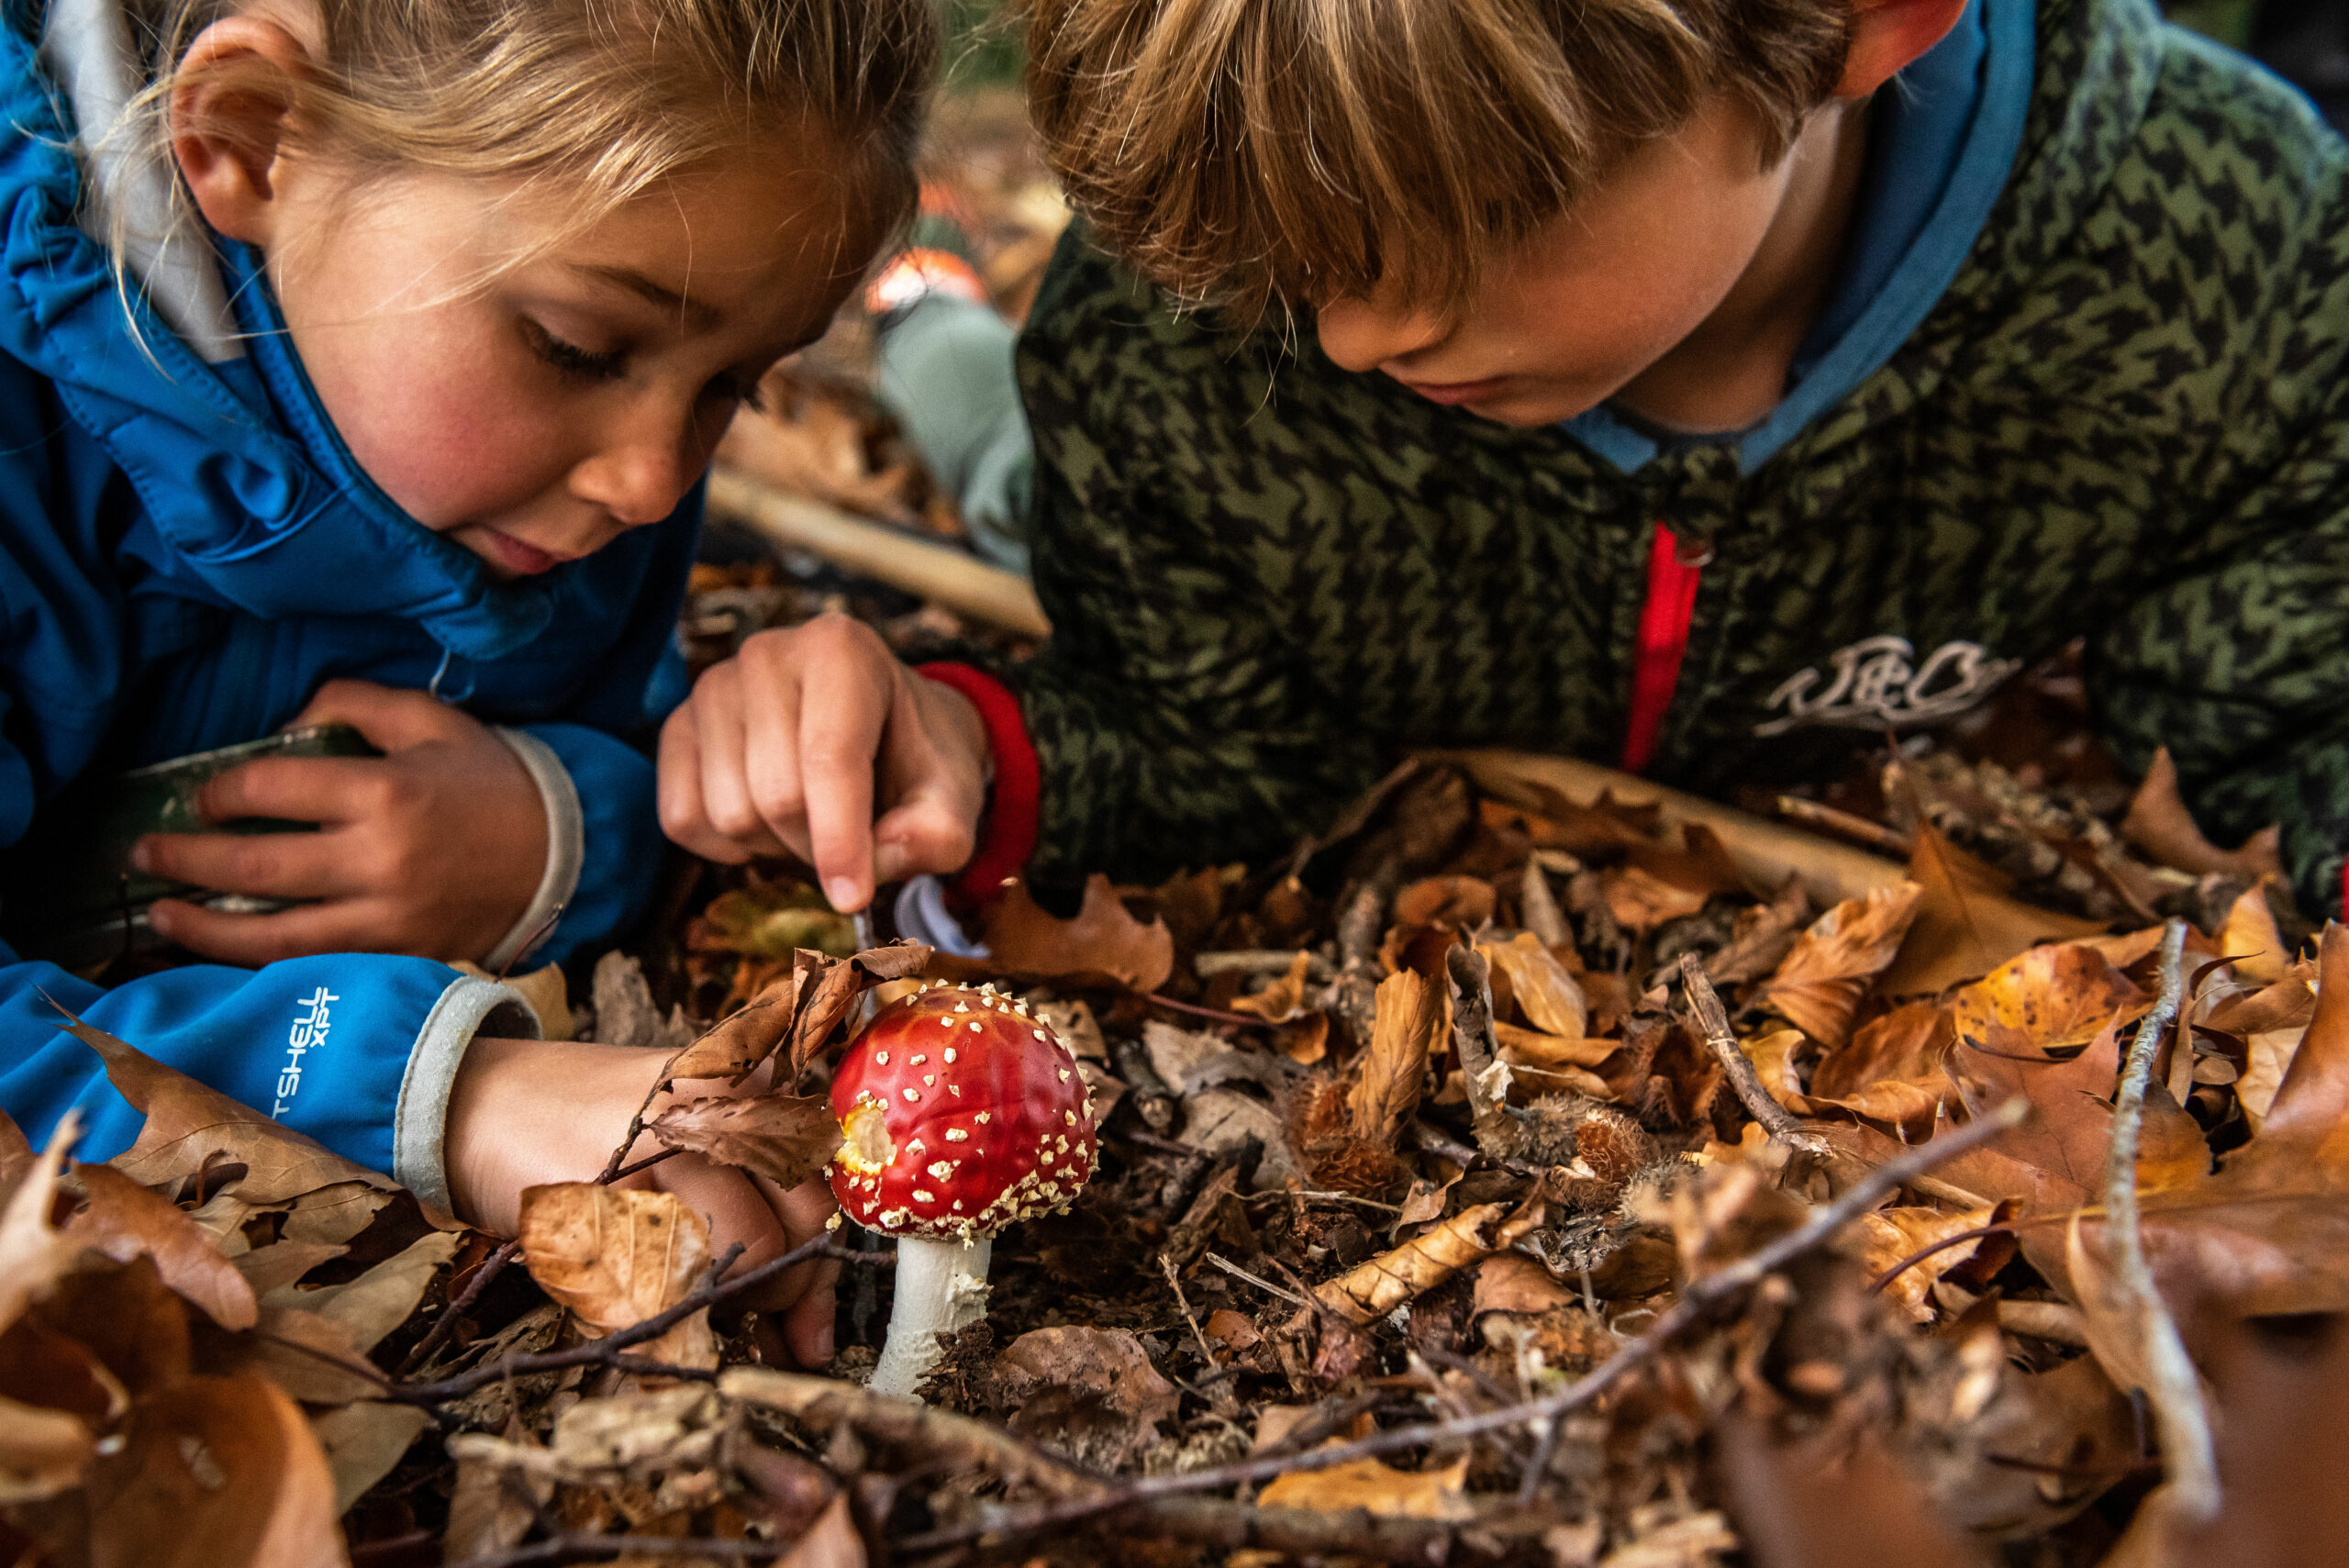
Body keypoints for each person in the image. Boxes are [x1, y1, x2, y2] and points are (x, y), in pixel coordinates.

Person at [663, 0, 2349, 940]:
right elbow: (1203, 741)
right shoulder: (1188, 343)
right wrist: (969, 742)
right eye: (1294, 254)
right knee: (1012, 469)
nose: (1354, 332)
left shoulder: (2220, 253)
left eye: (1479, 222)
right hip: (1095, 467)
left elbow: (2293, 718)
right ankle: (926, 307)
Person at [0, 0, 935, 1366]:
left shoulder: (559, 483)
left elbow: (612, 714)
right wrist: (445, 1092)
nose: (654, 477)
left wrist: (562, 826)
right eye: (576, 344)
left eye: (732, 383)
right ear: (254, 139)